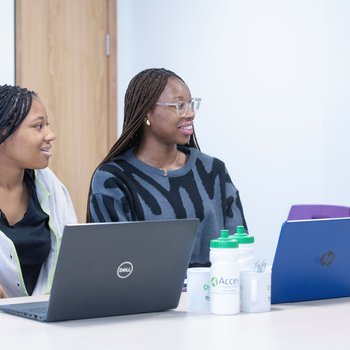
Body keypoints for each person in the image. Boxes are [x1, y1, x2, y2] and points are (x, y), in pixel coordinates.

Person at [87, 68, 247, 266]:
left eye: (191, 104)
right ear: (147, 112)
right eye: (179, 105)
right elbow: (113, 264)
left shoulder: (213, 171)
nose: (190, 113)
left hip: (216, 293)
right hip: (145, 296)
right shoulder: (113, 179)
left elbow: (240, 248)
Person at [0, 85, 77, 298]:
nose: (50, 135)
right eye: (38, 126)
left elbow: (73, 257)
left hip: (43, 319)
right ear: (4, 133)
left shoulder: (49, 184)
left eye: (47, 125)